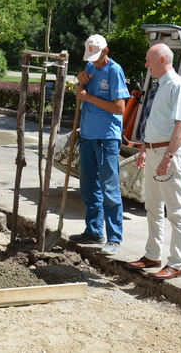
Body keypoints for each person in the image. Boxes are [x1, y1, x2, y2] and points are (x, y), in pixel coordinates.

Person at [126, 43, 181, 280]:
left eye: (149, 61)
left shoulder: (178, 87)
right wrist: (145, 149)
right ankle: (152, 255)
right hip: (154, 152)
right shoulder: (160, 86)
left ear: (163, 59)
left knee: (175, 210)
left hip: (167, 155)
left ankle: (176, 262)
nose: (146, 65)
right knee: (152, 207)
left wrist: (167, 157)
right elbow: (153, 122)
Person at [70, 34, 130, 257]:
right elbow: (81, 93)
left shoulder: (114, 70)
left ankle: (114, 238)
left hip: (106, 138)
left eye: (96, 57)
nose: (93, 62)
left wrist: (87, 97)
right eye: (90, 58)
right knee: (88, 187)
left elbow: (119, 108)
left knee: (109, 189)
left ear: (106, 51)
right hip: (88, 135)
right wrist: (79, 82)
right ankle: (94, 231)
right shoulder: (90, 67)